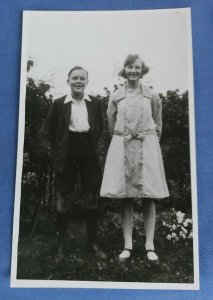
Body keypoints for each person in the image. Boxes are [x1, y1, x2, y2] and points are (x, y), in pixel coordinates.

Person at [100, 54, 169, 261]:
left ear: (142, 70)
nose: (133, 71)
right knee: (126, 196)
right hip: (123, 146)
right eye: (129, 67)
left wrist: (149, 140)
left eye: (136, 67)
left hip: (146, 148)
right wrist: (122, 137)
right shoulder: (116, 96)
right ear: (124, 70)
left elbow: (157, 123)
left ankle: (150, 244)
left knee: (148, 196)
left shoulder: (151, 96)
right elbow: (111, 121)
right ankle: (127, 244)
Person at [47, 66, 106, 259]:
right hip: (67, 150)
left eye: (82, 78)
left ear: (87, 81)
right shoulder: (58, 104)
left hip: (88, 149)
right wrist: (61, 147)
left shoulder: (96, 103)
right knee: (64, 199)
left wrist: (89, 145)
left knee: (91, 198)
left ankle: (92, 244)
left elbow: (99, 127)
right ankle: (60, 247)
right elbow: (51, 129)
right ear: (68, 81)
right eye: (75, 78)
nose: (78, 81)